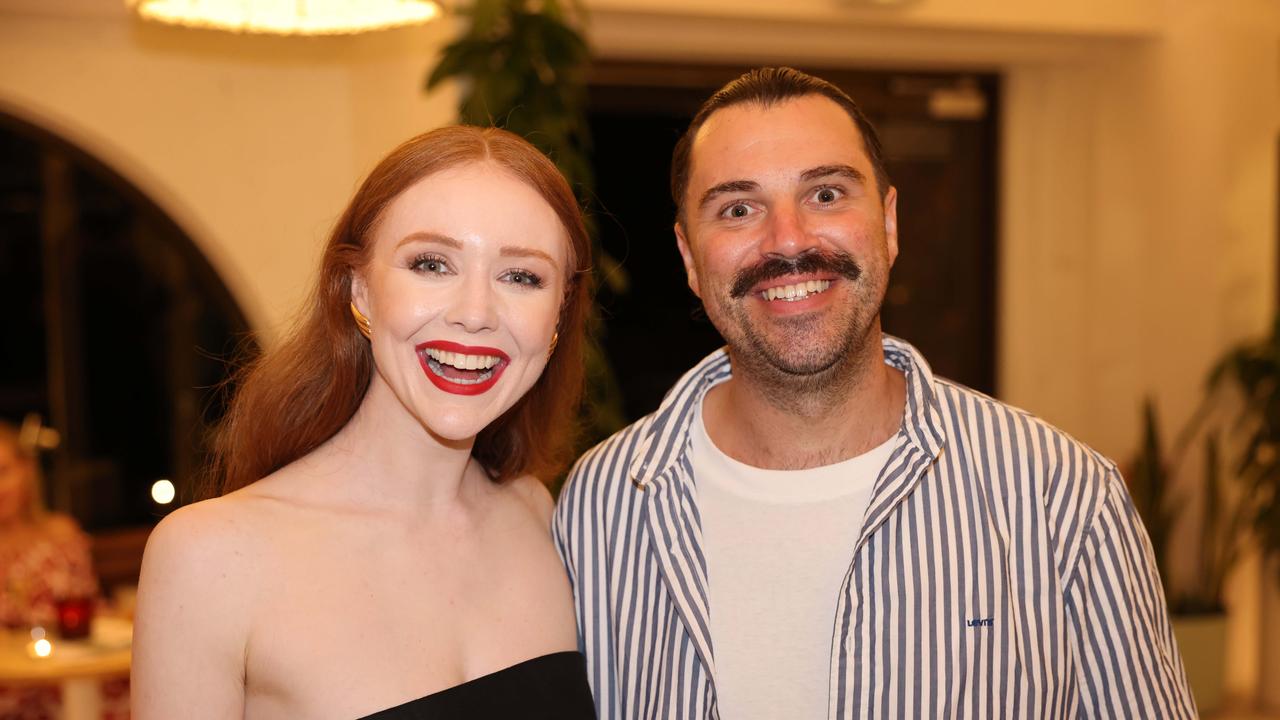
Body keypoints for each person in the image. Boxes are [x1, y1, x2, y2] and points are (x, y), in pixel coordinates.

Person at [554, 67, 1196, 719]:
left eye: (826, 194)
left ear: (888, 223)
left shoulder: (1062, 498)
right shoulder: (599, 509)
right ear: (690, 258)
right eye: (739, 208)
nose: (789, 240)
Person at [132, 126, 597, 719]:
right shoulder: (210, 557)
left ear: (557, 317)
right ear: (359, 291)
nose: (475, 314)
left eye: (522, 277)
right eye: (432, 264)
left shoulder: (538, 515)